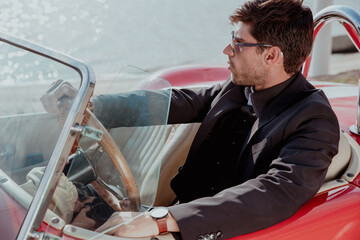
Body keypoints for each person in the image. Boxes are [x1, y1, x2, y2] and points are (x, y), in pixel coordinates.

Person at [41, 0, 340, 239]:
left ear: (272, 56)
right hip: (174, 212)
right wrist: (91, 105)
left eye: (238, 43)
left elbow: (278, 191)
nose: (227, 50)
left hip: (210, 228)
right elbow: (176, 102)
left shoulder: (313, 118)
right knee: (49, 196)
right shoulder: (240, 87)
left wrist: (163, 221)